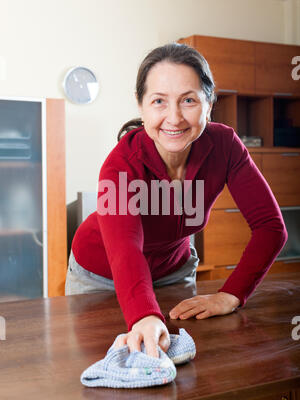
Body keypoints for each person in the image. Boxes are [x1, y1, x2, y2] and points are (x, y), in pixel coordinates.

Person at [65, 43, 287, 358]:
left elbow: (270, 227)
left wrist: (232, 294)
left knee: (187, 367)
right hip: (100, 276)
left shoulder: (225, 146)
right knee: (100, 367)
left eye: (188, 100)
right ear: (141, 106)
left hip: (172, 273)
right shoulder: (120, 165)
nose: (174, 117)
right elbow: (125, 247)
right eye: (159, 101)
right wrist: (143, 314)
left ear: (209, 103)